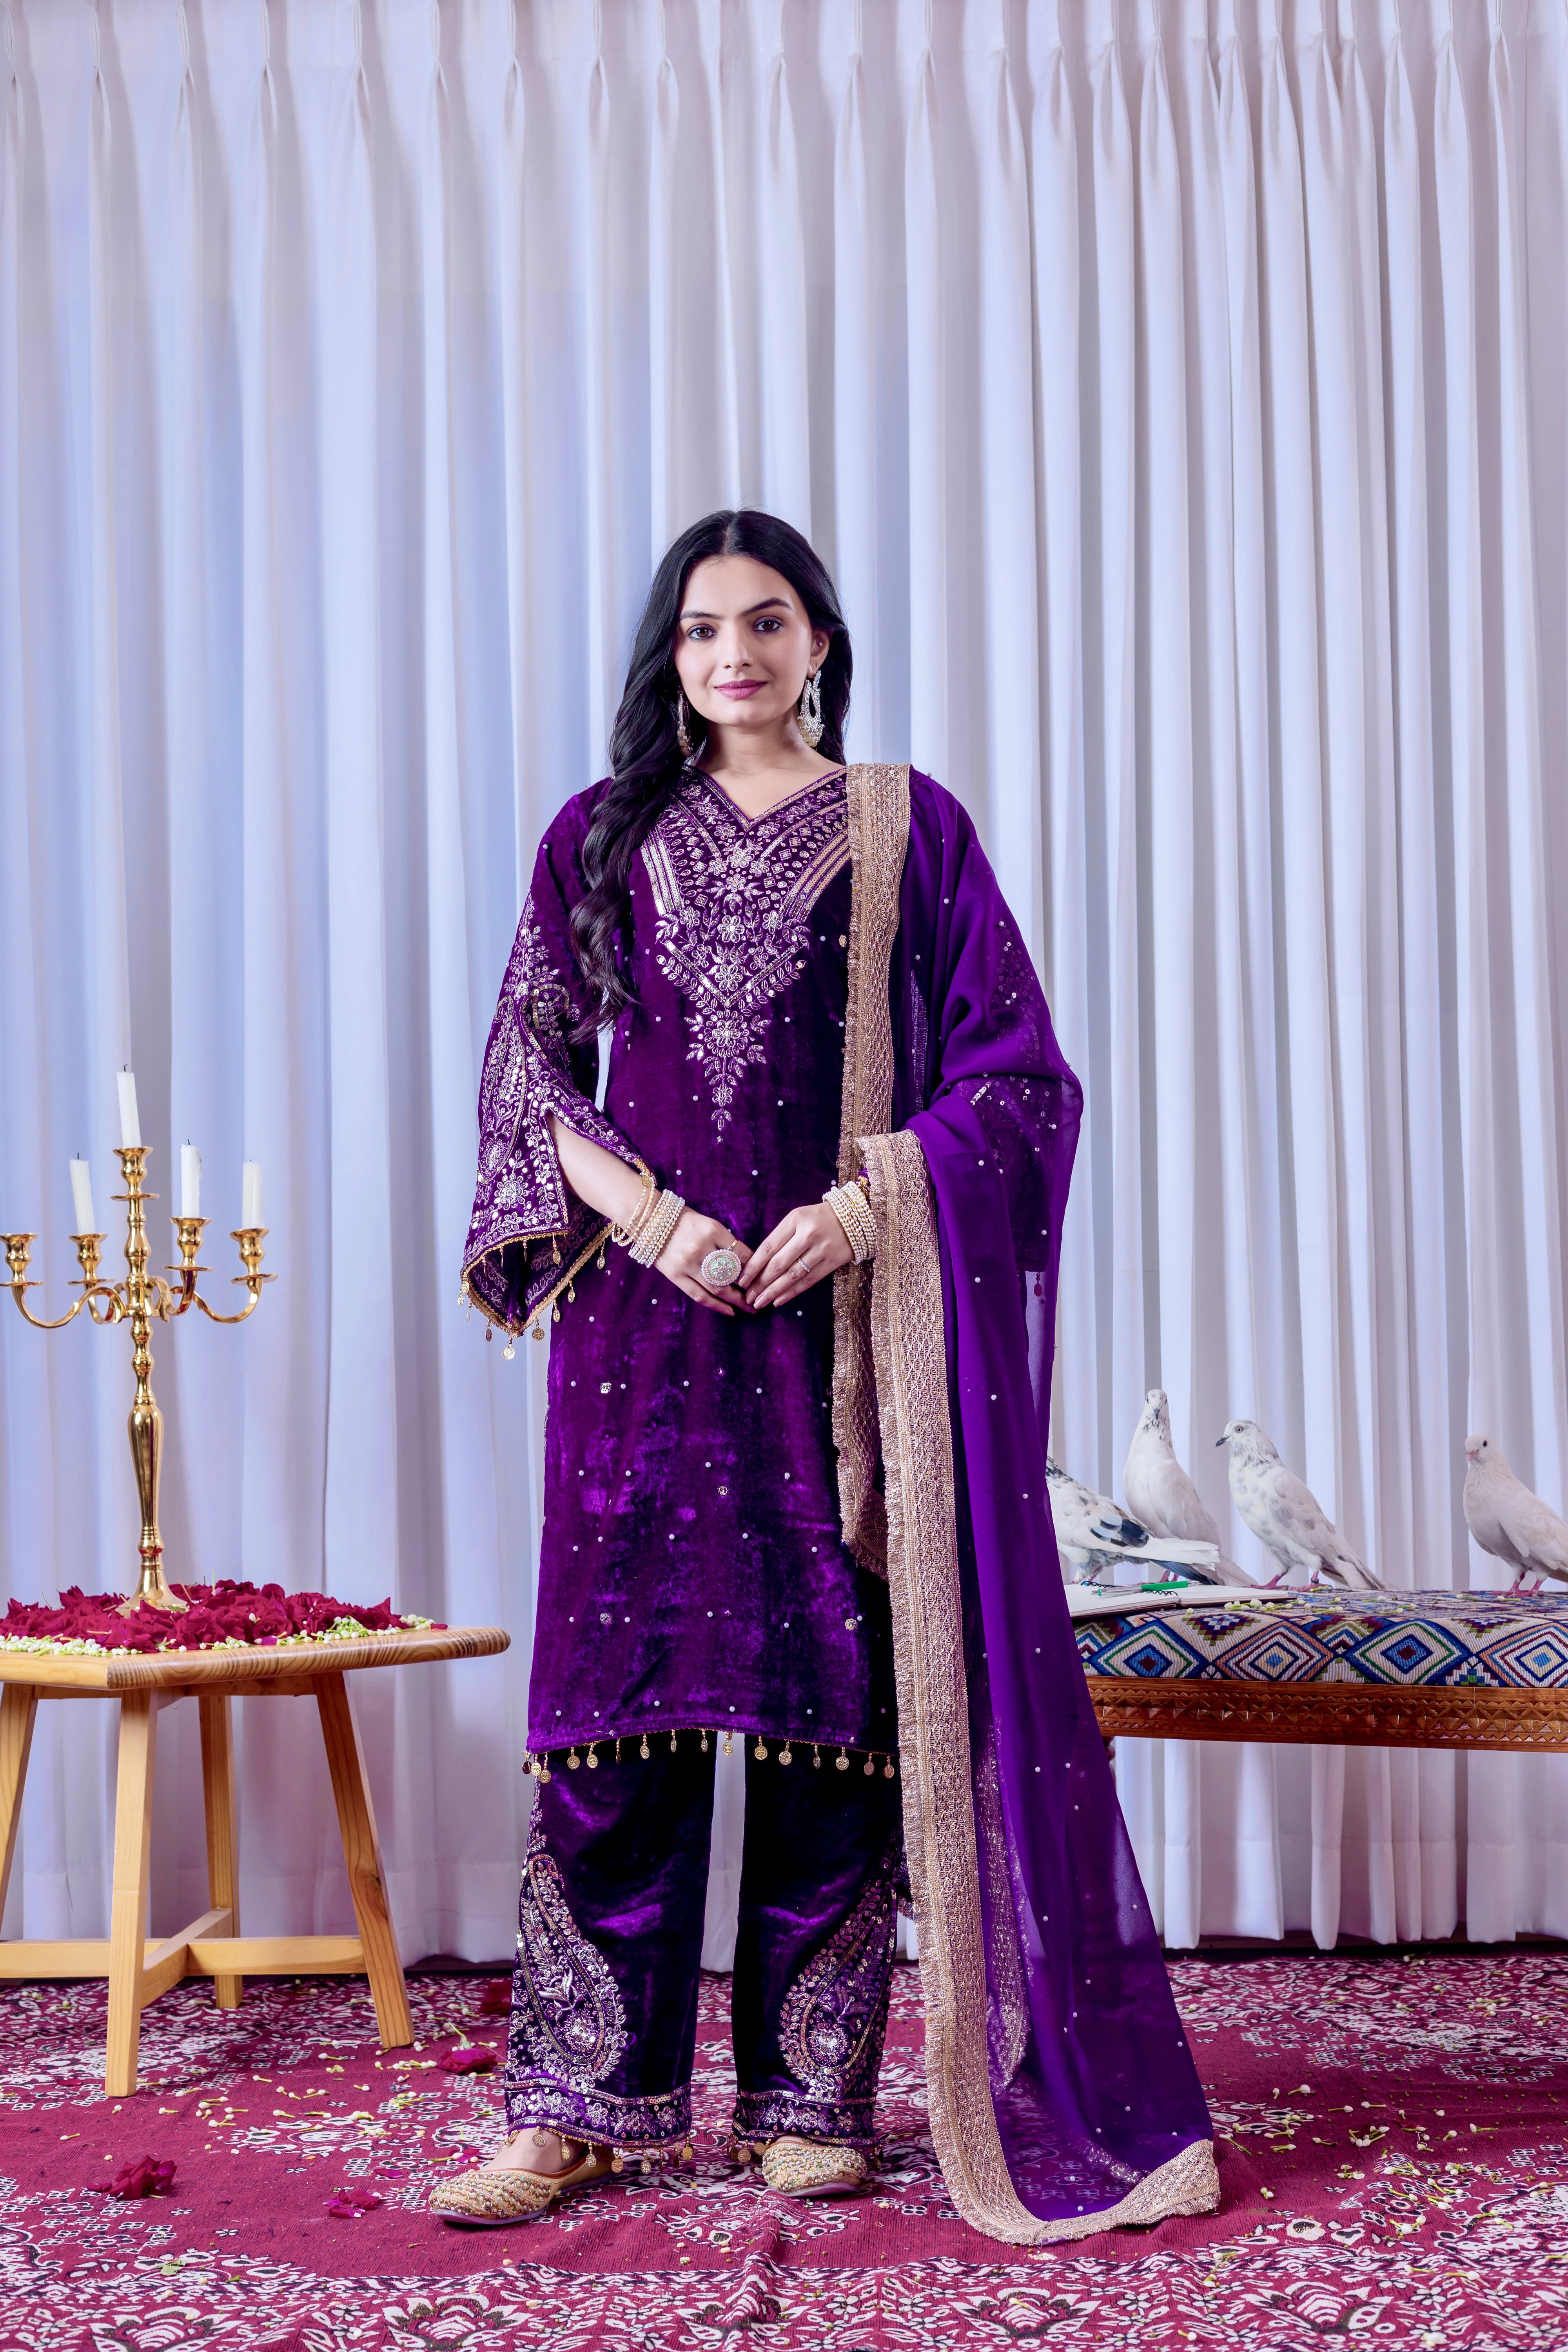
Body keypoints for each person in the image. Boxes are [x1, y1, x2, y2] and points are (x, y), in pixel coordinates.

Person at [434, 511, 1219, 2242]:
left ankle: (811, 2100)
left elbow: (1021, 1082)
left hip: (840, 1345)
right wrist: (647, 1225)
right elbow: (524, 1075)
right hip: (643, 1342)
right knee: (613, 1718)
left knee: (829, 1715)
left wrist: (863, 1216)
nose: (736, 653)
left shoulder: (902, 830)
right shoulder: (600, 834)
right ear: (669, 653)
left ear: (817, 640)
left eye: (767, 621)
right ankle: (576, 2106)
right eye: (705, 627)